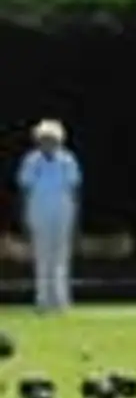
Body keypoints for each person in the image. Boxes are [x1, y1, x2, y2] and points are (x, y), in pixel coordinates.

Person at [17, 119, 81, 313]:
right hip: (39, 210)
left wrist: (75, 216)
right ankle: (43, 299)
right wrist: (25, 216)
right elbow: (25, 189)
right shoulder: (31, 161)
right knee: (42, 255)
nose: (48, 143)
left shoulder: (67, 160)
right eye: (44, 139)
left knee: (61, 255)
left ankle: (61, 300)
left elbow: (74, 189)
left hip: (63, 211)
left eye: (52, 139)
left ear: (59, 141)